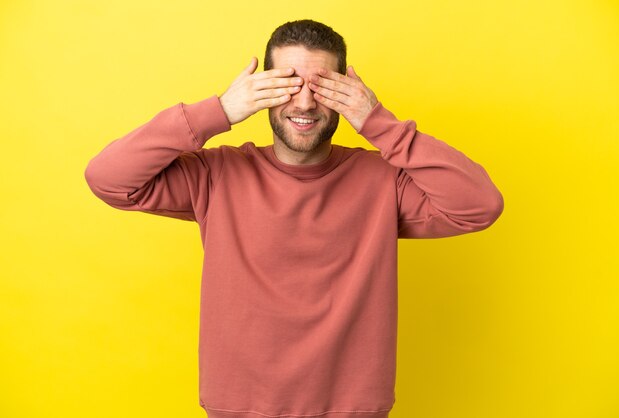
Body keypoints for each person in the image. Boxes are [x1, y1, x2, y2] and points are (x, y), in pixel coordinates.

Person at [84, 19, 504, 418]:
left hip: (351, 408)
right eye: (287, 84)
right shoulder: (216, 175)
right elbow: (108, 178)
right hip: (239, 407)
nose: (304, 103)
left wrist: (379, 123)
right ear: (261, 89)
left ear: (347, 91)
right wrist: (219, 111)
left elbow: (479, 205)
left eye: (322, 88)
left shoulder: (383, 180)